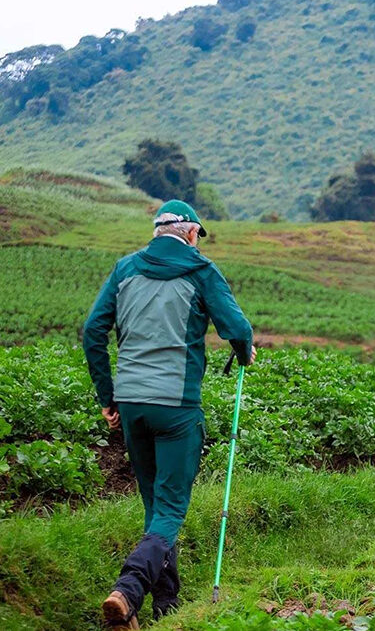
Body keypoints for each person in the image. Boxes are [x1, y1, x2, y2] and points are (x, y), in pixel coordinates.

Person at [83, 200, 255, 630]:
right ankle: (129, 588)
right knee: (172, 508)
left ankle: (165, 606)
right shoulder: (200, 270)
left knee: (155, 507)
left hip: (133, 404)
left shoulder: (125, 269)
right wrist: (243, 351)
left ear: (157, 232)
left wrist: (109, 397)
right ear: (191, 233)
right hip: (176, 408)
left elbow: (92, 331)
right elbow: (237, 328)